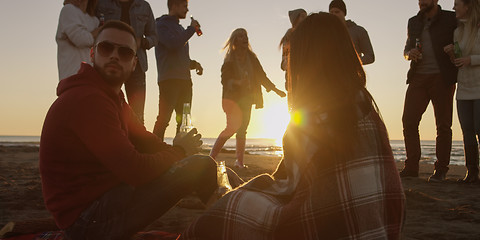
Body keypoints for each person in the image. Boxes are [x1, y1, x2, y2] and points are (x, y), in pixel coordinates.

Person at [181, 13, 405, 240]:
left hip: (330, 224)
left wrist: (237, 193)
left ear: (304, 60)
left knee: (219, 214)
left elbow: (288, 190)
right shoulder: (366, 106)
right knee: (233, 163)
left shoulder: (314, 116)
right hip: (381, 226)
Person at [39, 20, 217, 239]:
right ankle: (229, 221)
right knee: (202, 165)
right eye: (107, 48)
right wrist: (179, 152)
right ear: (93, 54)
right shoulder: (88, 99)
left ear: (134, 63)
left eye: (124, 52)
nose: (114, 55)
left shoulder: (113, 98)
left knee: (203, 167)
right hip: (86, 221)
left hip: (103, 201)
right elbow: (136, 170)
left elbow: (146, 141)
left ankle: (227, 213)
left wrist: (180, 153)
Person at [209, 28, 286, 169]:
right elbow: (224, 80)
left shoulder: (252, 58)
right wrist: (238, 82)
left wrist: (275, 90)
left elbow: (262, 76)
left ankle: (239, 162)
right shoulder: (230, 60)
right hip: (232, 98)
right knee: (231, 128)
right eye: (240, 36)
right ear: (235, 40)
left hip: (247, 98)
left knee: (242, 129)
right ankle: (211, 157)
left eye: (246, 36)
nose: (245, 38)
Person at [400, 0, 458, 182]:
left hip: (443, 77)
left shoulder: (451, 18)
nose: (421, 2)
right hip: (418, 77)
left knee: (443, 124)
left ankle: (441, 170)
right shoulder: (413, 21)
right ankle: (411, 167)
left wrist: (456, 49)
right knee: (409, 121)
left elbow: (465, 36)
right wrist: (410, 53)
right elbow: (406, 49)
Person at [96, 0, 157, 124]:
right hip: (108, 66)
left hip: (136, 66)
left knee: (137, 116)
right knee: (103, 109)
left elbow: (155, 36)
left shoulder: (144, 7)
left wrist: (142, 42)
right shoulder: (101, 3)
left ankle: (136, 143)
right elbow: (88, 20)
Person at [153, 0, 204, 141]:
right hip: (169, 81)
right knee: (164, 119)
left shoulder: (180, 29)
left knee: (183, 121)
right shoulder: (160, 25)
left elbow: (180, 58)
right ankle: (153, 150)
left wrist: (195, 64)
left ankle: (179, 153)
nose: (187, 10)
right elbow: (172, 44)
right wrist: (191, 29)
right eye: (184, 7)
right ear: (174, 6)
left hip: (185, 82)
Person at [443, 0, 480, 183]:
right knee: (467, 131)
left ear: (468, 6)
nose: (454, 8)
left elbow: (468, 59)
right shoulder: (458, 32)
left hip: (479, 87)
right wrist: (452, 54)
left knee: (479, 129)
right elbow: (458, 61)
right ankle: (471, 172)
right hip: (464, 87)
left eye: (457, 4)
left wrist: (470, 60)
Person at [56, 0, 100, 80]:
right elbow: (81, 39)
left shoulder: (94, 21)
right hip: (71, 78)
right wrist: (97, 32)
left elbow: (99, 42)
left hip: (91, 79)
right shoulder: (68, 10)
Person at [328, 0, 375, 65]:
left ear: (344, 13)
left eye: (337, 12)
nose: (334, 15)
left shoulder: (359, 31)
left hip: (352, 74)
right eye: (331, 12)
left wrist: (352, 62)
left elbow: (370, 56)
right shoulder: (326, 33)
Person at [280, 8, 307, 108]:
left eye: (306, 16)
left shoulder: (310, 35)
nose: (306, 18)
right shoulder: (288, 38)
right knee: (296, 111)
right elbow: (284, 63)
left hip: (310, 80)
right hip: (294, 82)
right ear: (296, 20)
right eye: (302, 16)